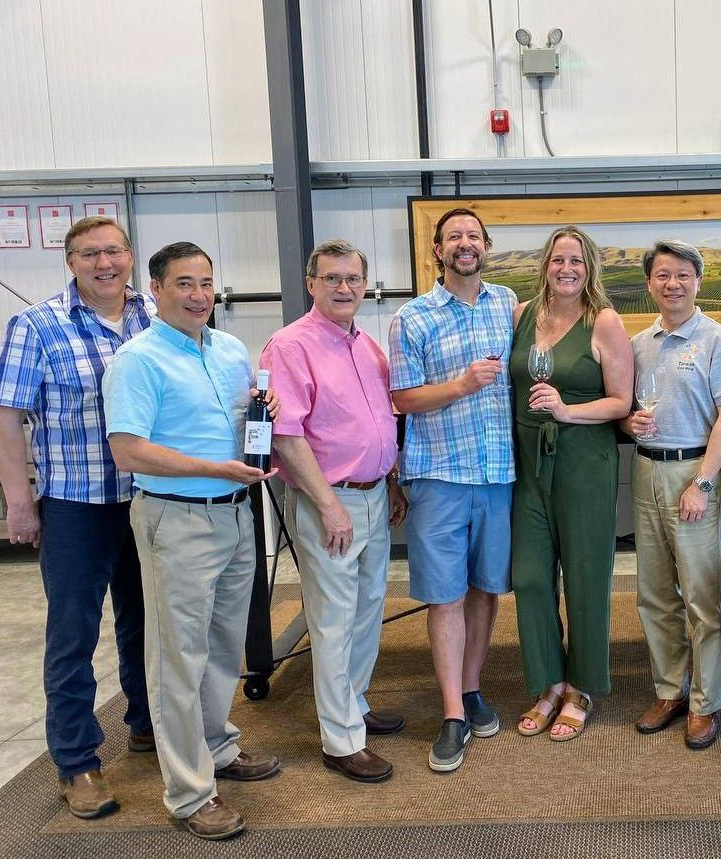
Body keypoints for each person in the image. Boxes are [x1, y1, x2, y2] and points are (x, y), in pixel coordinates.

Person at [103, 241, 280, 841]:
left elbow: (240, 423)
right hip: (175, 519)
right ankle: (189, 792)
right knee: (177, 657)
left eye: (206, 283)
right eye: (184, 283)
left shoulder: (228, 350)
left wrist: (264, 411)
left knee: (224, 645)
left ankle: (218, 746)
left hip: (235, 513)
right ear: (154, 289)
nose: (199, 295)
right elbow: (128, 451)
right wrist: (213, 469)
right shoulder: (137, 360)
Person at [0, 216, 154, 819]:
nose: (103, 264)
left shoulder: (154, 315)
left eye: (113, 251)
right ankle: (78, 762)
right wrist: (20, 502)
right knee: (73, 637)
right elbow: (6, 417)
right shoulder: (37, 326)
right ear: (70, 262)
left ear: (130, 256)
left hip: (150, 498)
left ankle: (147, 725)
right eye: (89, 254)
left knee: (149, 626)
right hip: (75, 506)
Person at [260, 240, 408, 782]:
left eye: (353, 279)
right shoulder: (290, 346)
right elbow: (286, 434)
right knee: (334, 619)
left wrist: (390, 482)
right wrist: (328, 505)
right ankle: (341, 739)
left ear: (365, 285)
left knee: (368, 609)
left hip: (373, 494)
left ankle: (354, 705)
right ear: (311, 284)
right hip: (329, 500)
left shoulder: (367, 346)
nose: (344, 288)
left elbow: (381, 422)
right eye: (331, 278)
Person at [390, 208, 514, 772]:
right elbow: (403, 398)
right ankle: (452, 715)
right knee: (445, 596)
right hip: (439, 474)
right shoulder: (412, 318)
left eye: (473, 236)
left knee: (485, 590)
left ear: (485, 245)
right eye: (453, 237)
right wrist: (461, 385)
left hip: (498, 474)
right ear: (438, 251)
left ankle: (471, 688)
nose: (465, 244)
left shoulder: (507, 304)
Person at [620, 239, 721, 750]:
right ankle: (670, 690)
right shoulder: (637, 343)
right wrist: (629, 423)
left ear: (698, 281)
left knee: (700, 596)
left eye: (682, 275)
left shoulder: (719, 340)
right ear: (649, 284)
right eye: (662, 275)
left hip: (695, 472)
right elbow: (626, 411)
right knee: (654, 594)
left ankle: (706, 701)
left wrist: (703, 482)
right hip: (646, 470)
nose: (672, 284)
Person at [510, 227, 633, 741]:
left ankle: (581, 688)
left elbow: (621, 402)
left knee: (585, 575)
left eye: (576, 261)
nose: (566, 269)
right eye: (558, 260)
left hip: (584, 460)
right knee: (530, 577)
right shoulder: (520, 315)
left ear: (589, 269)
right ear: (545, 265)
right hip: (527, 463)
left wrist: (566, 410)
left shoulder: (603, 321)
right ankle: (549, 682)